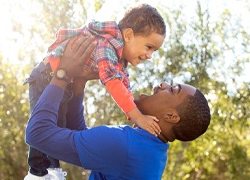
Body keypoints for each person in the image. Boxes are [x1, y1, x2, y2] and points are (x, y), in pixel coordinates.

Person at [25, 36, 211, 179]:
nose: (163, 85)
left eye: (172, 90)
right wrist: (79, 81)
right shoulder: (148, 151)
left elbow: (37, 134)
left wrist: (62, 74)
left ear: (171, 116)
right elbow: (83, 137)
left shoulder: (126, 146)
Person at [24, 3, 165, 179]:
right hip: (47, 75)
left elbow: (125, 88)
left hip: (65, 80)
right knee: (44, 126)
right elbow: (113, 84)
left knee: (56, 125)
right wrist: (138, 116)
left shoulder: (120, 61)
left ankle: (51, 170)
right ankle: (38, 171)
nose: (150, 55)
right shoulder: (107, 46)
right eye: (149, 47)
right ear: (128, 35)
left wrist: (135, 113)